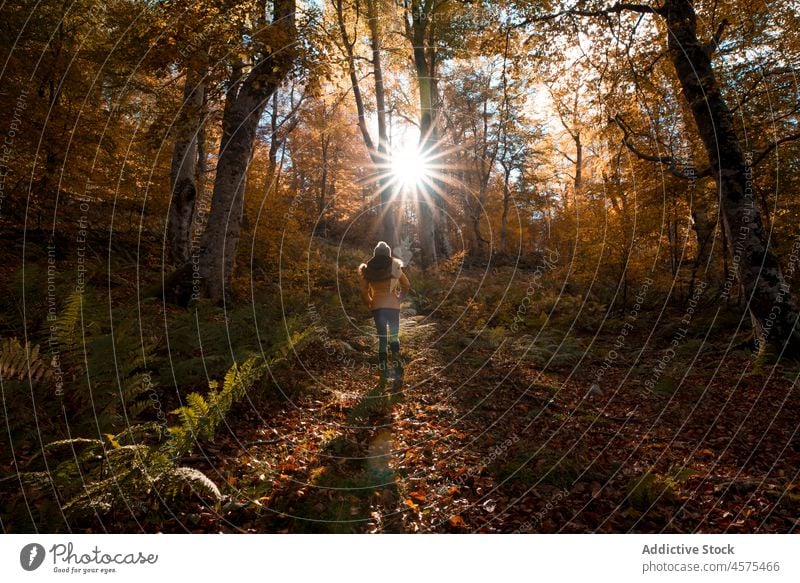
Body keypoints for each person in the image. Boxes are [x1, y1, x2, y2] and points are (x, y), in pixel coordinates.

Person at [359, 241, 411, 380]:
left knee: (382, 338)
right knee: (394, 336)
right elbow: (406, 285)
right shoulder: (395, 266)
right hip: (393, 306)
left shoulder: (368, 269)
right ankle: (396, 363)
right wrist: (399, 299)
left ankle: (383, 372)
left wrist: (370, 302)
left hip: (377, 307)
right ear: (388, 253)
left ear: (375, 253)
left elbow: (363, 291)